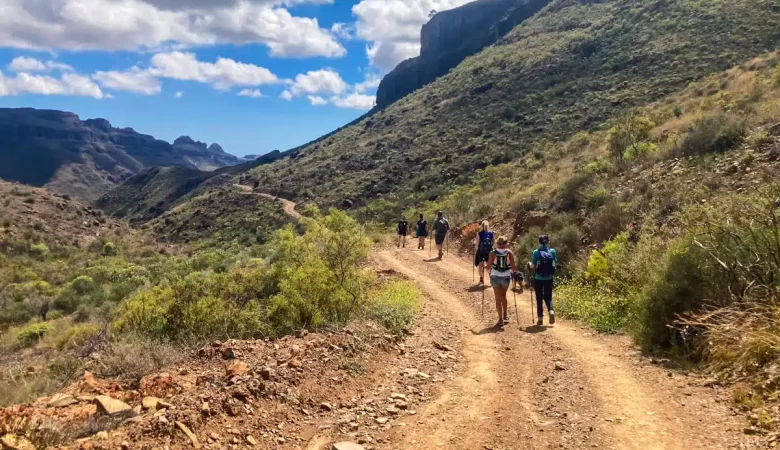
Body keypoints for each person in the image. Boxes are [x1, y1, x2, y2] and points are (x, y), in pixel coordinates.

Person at [487, 236, 516, 328]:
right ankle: (505, 315)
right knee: (503, 296)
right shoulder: (509, 253)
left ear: (497, 243)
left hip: (495, 276)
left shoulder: (492, 253)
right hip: (506, 277)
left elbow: (488, 266)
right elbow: (514, 267)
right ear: (505, 243)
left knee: (497, 298)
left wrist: (485, 266)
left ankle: (500, 320)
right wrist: (512, 272)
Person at [529, 234, 557, 326]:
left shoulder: (536, 252)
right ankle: (551, 310)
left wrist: (529, 264)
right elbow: (554, 263)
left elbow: (532, 266)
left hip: (538, 278)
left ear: (539, 242)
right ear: (548, 241)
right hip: (549, 277)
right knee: (548, 297)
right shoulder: (552, 251)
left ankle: (540, 319)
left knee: (539, 298)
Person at [473, 220, 495, 285]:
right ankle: (491, 278)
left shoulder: (479, 233)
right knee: (489, 266)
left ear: (481, 226)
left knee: (480, 266)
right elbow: (493, 242)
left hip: (481, 252)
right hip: (489, 252)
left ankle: (481, 279)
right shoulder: (491, 233)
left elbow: (477, 244)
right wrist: (490, 248)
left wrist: (475, 247)